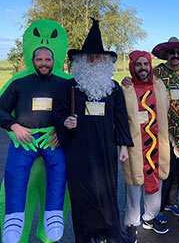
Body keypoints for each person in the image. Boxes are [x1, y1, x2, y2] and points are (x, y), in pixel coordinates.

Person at [55, 18, 134, 243]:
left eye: (97, 57)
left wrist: (124, 145)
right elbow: (58, 114)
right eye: (88, 57)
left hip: (105, 149)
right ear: (80, 60)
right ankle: (84, 237)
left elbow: (120, 118)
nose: (93, 60)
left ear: (104, 60)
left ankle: (110, 234)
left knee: (107, 194)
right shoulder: (68, 87)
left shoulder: (113, 88)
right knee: (81, 197)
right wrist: (64, 121)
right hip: (78, 151)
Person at [122, 37, 179, 223]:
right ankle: (148, 215)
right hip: (158, 132)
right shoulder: (157, 75)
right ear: (166, 55)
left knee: (174, 172)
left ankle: (168, 204)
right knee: (151, 174)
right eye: (172, 52)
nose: (176, 55)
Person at [0, 46, 67, 242]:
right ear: (33, 60)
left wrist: (60, 131)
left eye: (48, 59)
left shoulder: (64, 84)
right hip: (25, 138)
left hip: (51, 138)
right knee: (15, 173)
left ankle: (54, 215)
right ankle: (13, 219)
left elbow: (75, 110)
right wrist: (14, 126)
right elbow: (1, 110)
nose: (44, 63)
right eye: (40, 59)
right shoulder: (19, 84)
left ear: (54, 61)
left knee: (59, 171)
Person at [121, 50, 170, 238]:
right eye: (139, 64)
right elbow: (120, 119)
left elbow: (165, 109)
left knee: (156, 181)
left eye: (146, 64)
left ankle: (150, 217)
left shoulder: (159, 86)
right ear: (133, 67)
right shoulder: (125, 88)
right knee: (133, 184)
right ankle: (132, 222)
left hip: (157, 143)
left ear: (150, 65)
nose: (143, 68)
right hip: (134, 145)